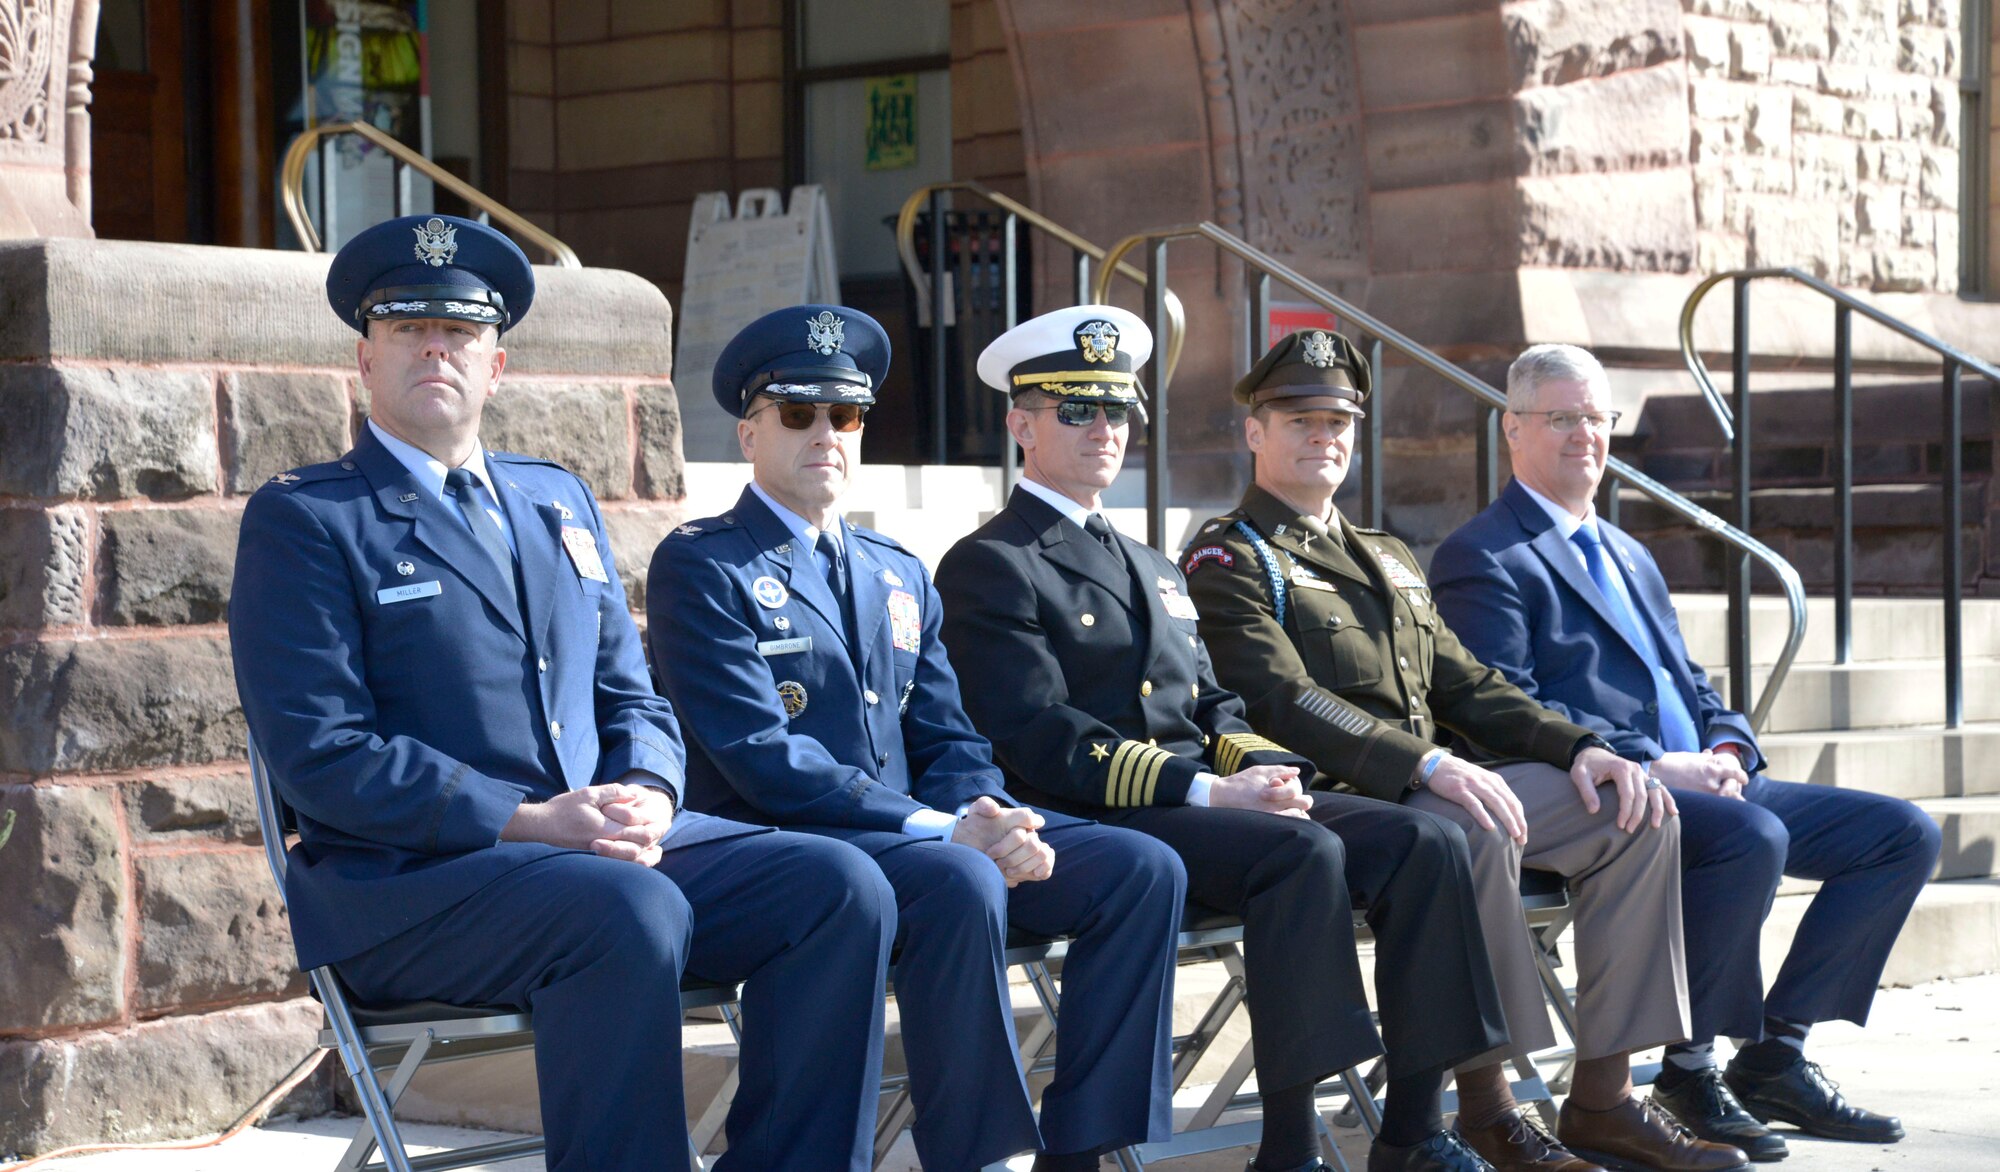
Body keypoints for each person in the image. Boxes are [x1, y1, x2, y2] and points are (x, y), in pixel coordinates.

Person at [228, 216, 896, 1172]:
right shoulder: (308, 518)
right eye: (408, 328)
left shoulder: (557, 500)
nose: (434, 348)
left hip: (596, 852)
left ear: (495, 366)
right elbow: (325, 755)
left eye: (458, 332)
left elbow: (636, 700)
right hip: (413, 883)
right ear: (364, 362)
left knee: (841, 888)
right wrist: (537, 821)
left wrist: (651, 794)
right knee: (629, 912)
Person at [935, 306, 1510, 1172]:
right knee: (1299, 855)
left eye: (1118, 411)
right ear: (1022, 425)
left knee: (1426, 841)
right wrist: (1210, 791)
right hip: (1101, 812)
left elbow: (1215, 706)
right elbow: (1039, 734)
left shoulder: (1153, 563)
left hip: (1210, 801)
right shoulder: (992, 560)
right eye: (1076, 410)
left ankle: (1415, 1129)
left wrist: (1269, 772)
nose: (1105, 430)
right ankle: (1290, 1148)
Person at [1184, 330, 1748, 1172]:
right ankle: (1491, 1107)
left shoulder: (1385, 554)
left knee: (1636, 810)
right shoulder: (1232, 555)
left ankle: (1605, 1098)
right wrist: (1426, 764)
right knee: (1474, 821)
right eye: (1298, 420)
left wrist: (1583, 748)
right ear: (1254, 433)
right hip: (1350, 795)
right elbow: (1280, 700)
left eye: (1338, 421)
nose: (1322, 438)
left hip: (1435, 781)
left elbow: (1470, 684)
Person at [646, 304, 1187, 1172]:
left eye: (847, 416)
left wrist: (992, 810)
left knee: (1139, 869)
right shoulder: (704, 564)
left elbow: (947, 732)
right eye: (798, 414)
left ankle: (1082, 1150)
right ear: (749, 435)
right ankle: (977, 1155)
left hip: (919, 839)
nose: (827, 433)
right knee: (961, 875)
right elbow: (761, 754)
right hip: (790, 845)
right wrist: (945, 830)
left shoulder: (895, 569)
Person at [1431, 343, 1943, 1160]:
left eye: (1597, 418)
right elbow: (1502, 702)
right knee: (1753, 840)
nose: (1584, 436)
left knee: (1901, 835)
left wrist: (1728, 742)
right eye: (1562, 418)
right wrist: (1648, 760)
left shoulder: (1628, 552)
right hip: (1611, 790)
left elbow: (1693, 684)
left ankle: (1775, 1055)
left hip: (1703, 776)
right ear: (1512, 430)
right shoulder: (1483, 554)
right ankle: (1687, 1070)